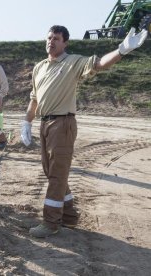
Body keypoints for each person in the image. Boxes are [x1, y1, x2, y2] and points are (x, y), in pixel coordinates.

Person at [21, 25, 148, 238]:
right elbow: (34, 98)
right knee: (52, 172)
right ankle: (69, 217)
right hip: (45, 123)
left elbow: (98, 64)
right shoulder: (39, 67)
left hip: (63, 124)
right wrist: (26, 122)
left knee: (56, 175)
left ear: (65, 43)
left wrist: (121, 50)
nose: (51, 41)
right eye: (49, 37)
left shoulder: (72, 62)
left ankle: (51, 223)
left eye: (57, 38)